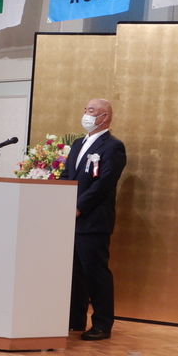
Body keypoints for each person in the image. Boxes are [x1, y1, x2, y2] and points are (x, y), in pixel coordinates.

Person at [60, 98, 126, 341]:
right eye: (85, 109)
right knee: (74, 273)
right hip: (71, 219)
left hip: (94, 221)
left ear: (104, 116)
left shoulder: (113, 146)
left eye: (91, 110)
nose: (85, 114)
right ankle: (75, 319)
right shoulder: (78, 143)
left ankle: (102, 324)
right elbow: (67, 175)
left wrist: (79, 206)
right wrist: (60, 201)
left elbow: (104, 183)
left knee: (95, 273)